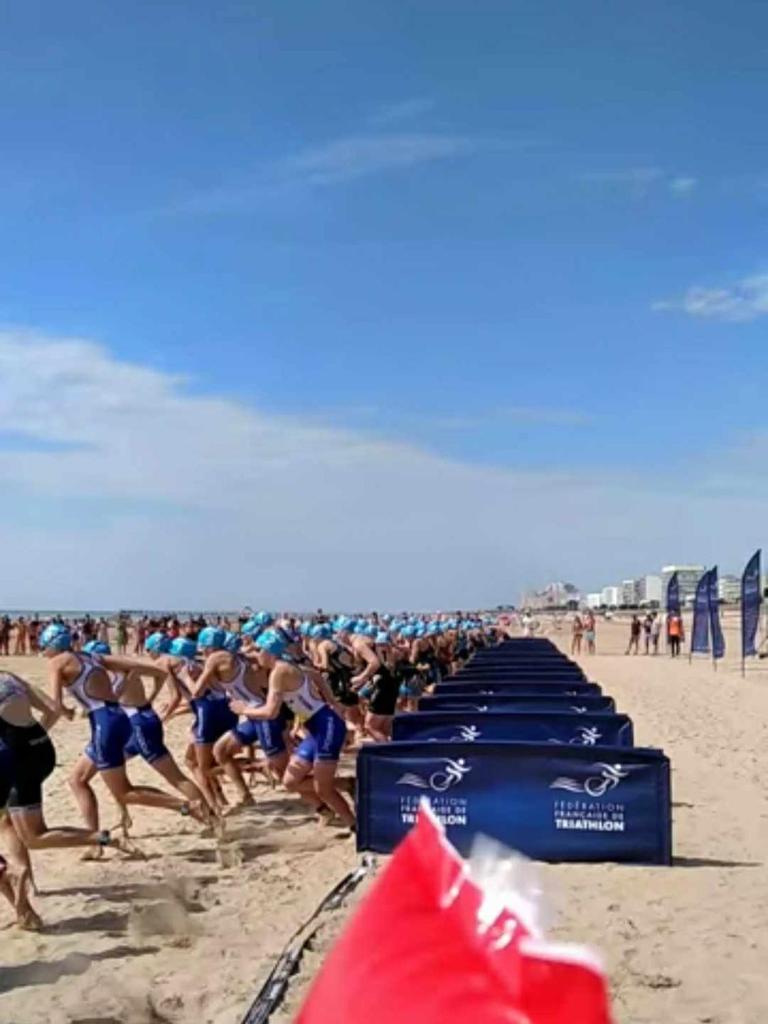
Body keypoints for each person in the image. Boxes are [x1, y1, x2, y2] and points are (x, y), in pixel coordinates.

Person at [41, 623, 203, 850]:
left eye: (44, 647)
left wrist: (59, 719)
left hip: (105, 722)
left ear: (52, 645)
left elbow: (55, 706)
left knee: (124, 792)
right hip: (119, 717)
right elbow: (140, 667)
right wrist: (157, 682)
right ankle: (95, 843)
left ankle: (187, 806)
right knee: (77, 779)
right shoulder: (92, 657)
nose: (43, 652)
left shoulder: (57, 662)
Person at [0, 668, 133, 925]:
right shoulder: (8, 677)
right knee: (7, 822)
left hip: (14, 760)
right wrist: (30, 740)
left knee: (34, 837)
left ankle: (103, 838)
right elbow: (53, 709)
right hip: (41, 750)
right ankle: (26, 901)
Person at [232, 629, 355, 829]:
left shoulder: (279, 672)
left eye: (258, 650)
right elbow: (316, 675)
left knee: (323, 789)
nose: (256, 655)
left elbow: (270, 711)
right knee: (289, 782)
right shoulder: (287, 663)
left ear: (268, 652)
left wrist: (244, 710)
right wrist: (332, 701)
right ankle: (348, 784)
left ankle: (354, 824)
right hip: (316, 728)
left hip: (327, 727)